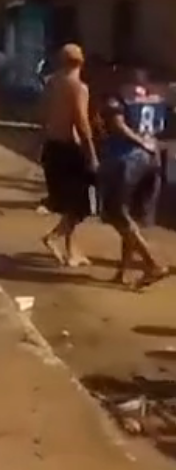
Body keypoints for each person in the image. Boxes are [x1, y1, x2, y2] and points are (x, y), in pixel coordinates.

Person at [99, 68, 168, 289]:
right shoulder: (157, 99)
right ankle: (123, 271)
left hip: (126, 160)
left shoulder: (118, 97)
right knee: (130, 218)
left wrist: (138, 141)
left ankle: (152, 263)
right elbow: (161, 128)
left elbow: (118, 125)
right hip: (153, 158)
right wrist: (149, 144)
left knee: (117, 212)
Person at [40, 43, 99, 266]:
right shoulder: (78, 87)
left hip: (52, 146)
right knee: (82, 205)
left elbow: (41, 113)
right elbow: (81, 123)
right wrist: (91, 153)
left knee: (68, 203)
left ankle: (72, 251)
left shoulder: (51, 83)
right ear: (81, 62)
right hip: (70, 148)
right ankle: (53, 238)